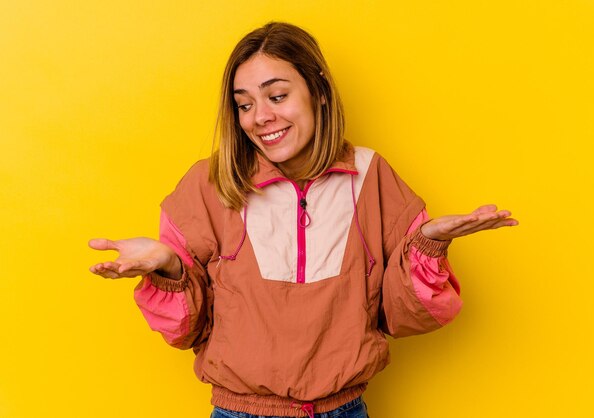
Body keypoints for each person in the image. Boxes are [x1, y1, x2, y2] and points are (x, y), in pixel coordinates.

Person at [88, 22, 518, 418]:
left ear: (319, 91)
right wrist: (168, 265)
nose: (259, 117)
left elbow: (402, 314)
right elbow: (186, 329)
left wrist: (427, 244)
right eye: (244, 104)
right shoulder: (212, 183)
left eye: (277, 96)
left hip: (345, 409)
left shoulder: (371, 177)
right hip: (240, 412)